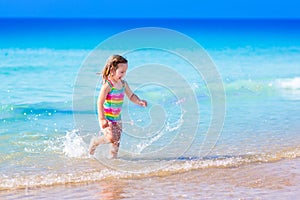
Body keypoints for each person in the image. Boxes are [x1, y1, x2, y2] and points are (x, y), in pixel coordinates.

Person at [89, 55, 147, 158]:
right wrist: (102, 118)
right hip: (107, 117)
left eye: (125, 71)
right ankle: (95, 141)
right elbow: (100, 102)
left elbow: (131, 95)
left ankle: (113, 158)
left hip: (118, 118)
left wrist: (139, 101)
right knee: (111, 137)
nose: (124, 74)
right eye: (121, 72)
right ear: (112, 69)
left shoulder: (123, 84)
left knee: (117, 141)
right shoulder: (108, 85)